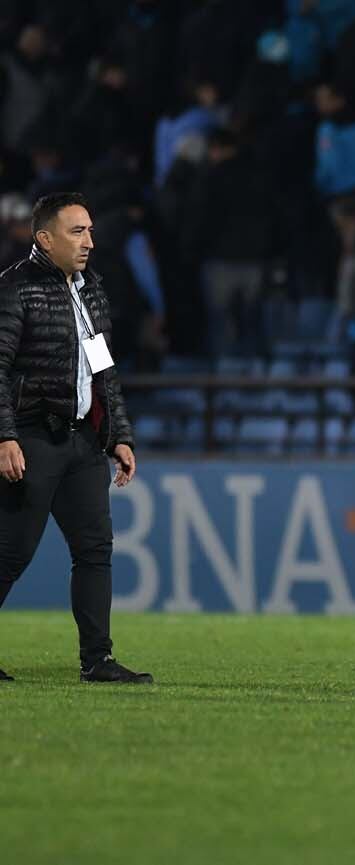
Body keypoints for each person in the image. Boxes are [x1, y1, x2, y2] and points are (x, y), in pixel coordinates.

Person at [0, 192, 149, 684]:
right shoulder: (15, 289)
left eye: (89, 229)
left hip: (82, 442)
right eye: (76, 231)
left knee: (94, 550)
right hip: (31, 437)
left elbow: (104, 371)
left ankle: (98, 660)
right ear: (43, 238)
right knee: (11, 551)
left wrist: (118, 436)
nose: (89, 240)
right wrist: (4, 437)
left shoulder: (91, 290)